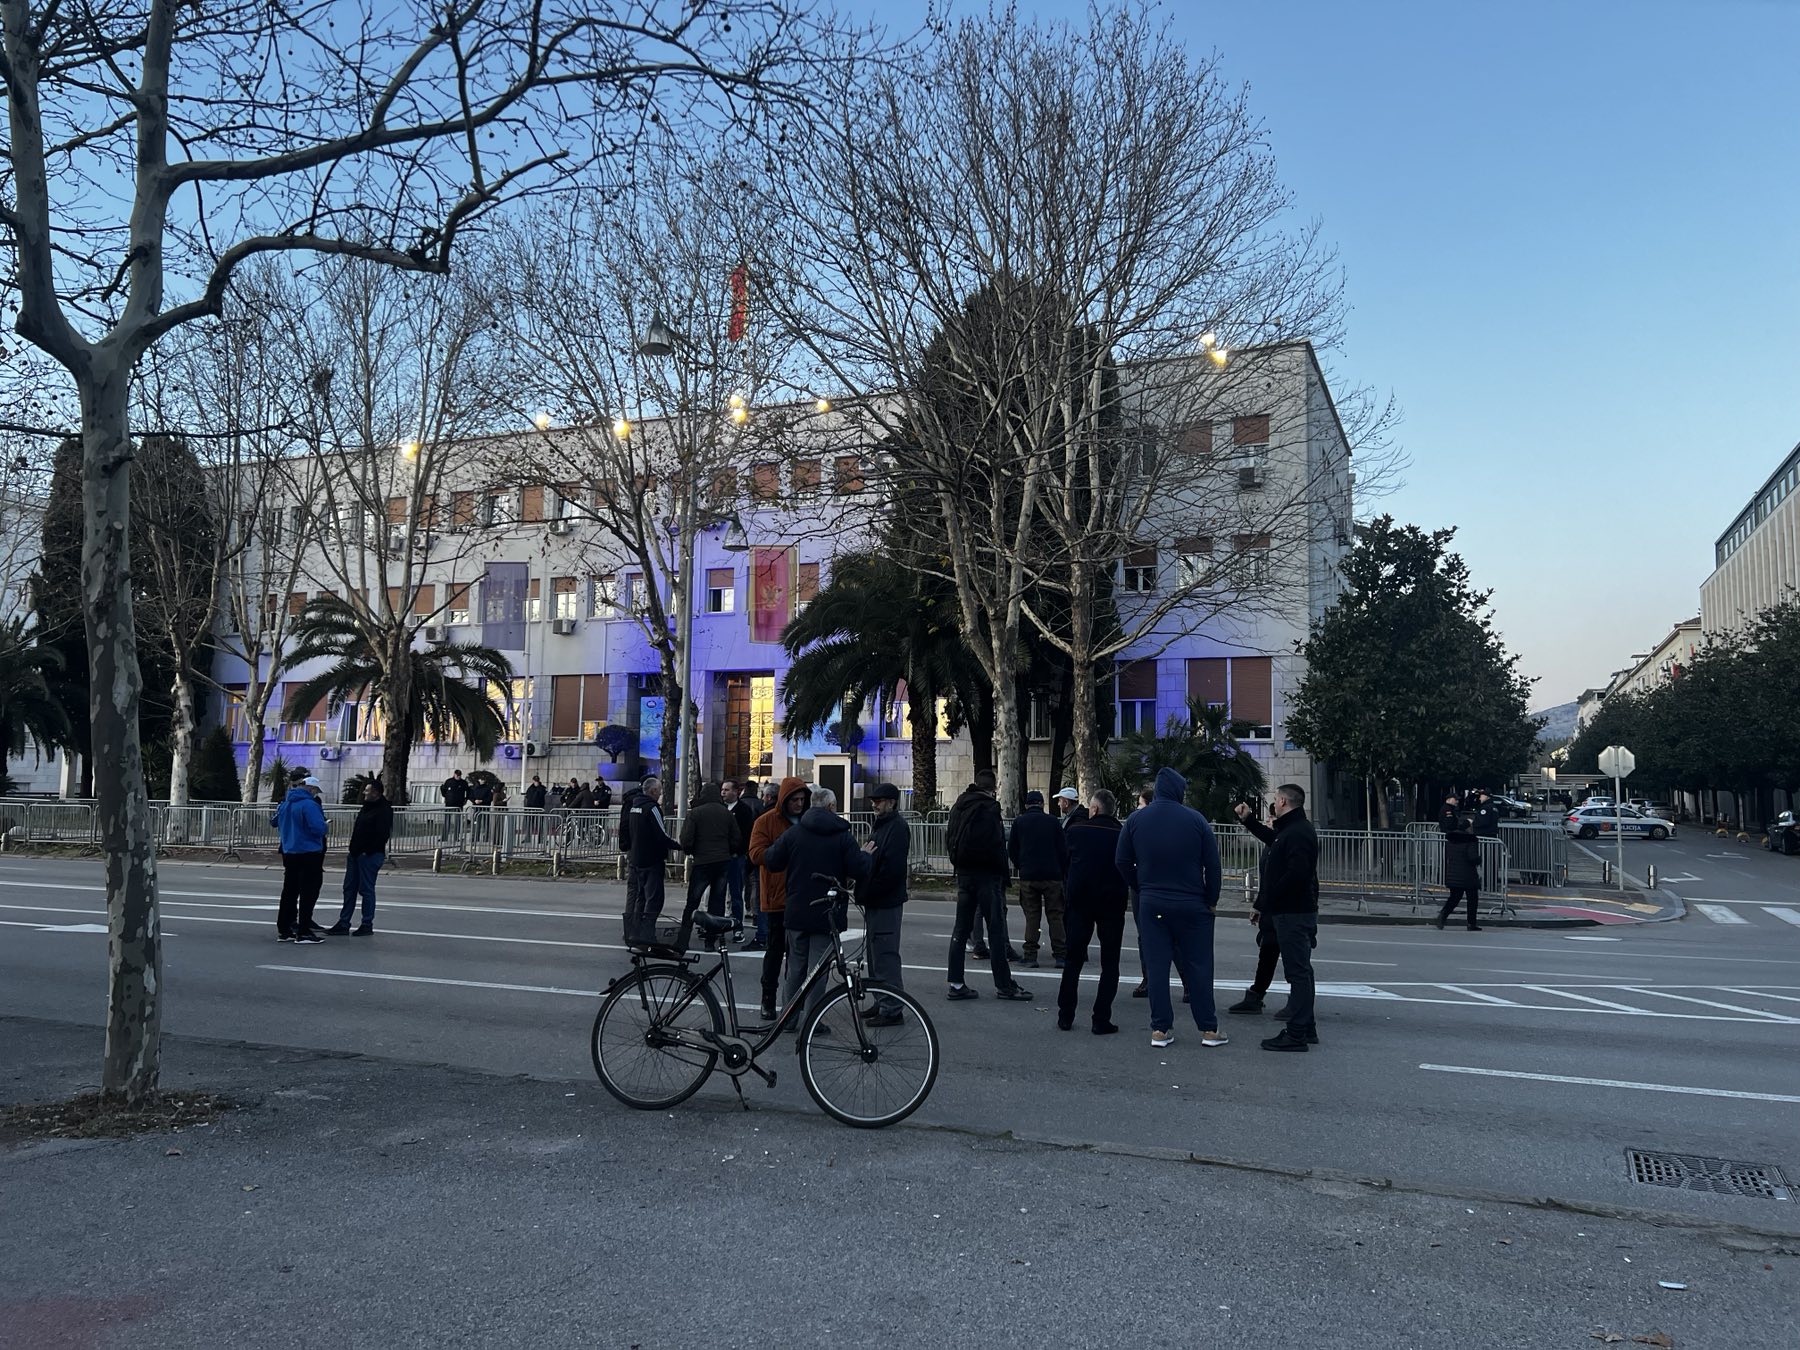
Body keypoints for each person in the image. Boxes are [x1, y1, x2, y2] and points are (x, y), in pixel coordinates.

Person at [1115, 768, 1224, 1049]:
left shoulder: (1136, 820)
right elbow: (1212, 865)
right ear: (1178, 791)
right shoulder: (1196, 820)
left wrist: (1141, 886)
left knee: (1157, 965)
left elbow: (1121, 860)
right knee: (1199, 965)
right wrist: (1211, 899)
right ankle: (1209, 1029)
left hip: (1153, 904)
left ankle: (1161, 1030)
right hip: (1192, 905)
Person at [766, 786, 871, 1031]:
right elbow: (858, 868)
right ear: (832, 807)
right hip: (827, 912)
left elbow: (772, 860)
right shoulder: (842, 835)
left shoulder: (795, 833)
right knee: (818, 971)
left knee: (795, 968)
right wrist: (866, 855)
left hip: (796, 910)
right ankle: (812, 1022)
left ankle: (788, 1018)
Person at [1231, 783, 1321, 1052]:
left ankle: (1297, 1034)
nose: (1274, 802)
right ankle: (1305, 1028)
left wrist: (1268, 899)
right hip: (1289, 910)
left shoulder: (1298, 832)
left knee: (1298, 973)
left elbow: (1297, 874)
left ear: (1283, 801)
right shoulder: (1291, 830)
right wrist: (1248, 820)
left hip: (1293, 912)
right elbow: (1273, 840)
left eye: (1275, 799)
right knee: (1300, 971)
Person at [945, 770, 1032, 1002]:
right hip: (987, 877)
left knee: (961, 930)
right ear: (993, 788)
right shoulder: (990, 808)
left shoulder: (958, 806)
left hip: (964, 874)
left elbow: (949, 838)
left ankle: (955, 983)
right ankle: (1004, 985)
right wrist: (1002, 875)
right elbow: (995, 846)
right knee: (995, 930)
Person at [1057, 789, 1129, 1034]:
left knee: (1073, 960)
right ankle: (1101, 1018)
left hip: (1080, 903)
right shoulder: (1122, 834)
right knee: (1110, 964)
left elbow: (1063, 862)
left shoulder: (1076, 831)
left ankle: (1065, 1014)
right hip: (1112, 904)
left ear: (1095, 809)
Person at [748, 777, 810, 1020]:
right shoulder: (766, 821)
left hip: (800, 895)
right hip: (776, 897)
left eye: (802, 800)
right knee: (774, 951)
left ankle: (792, 1002)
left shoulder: (806, 821)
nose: (798, 804)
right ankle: (768, 999)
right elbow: (755, 854)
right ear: (784, 800)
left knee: (797, 955)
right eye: (794, 800)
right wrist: (782, 849)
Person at [858, 782, 911, 1025]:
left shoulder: (896, 828)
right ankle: (882, 1000)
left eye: (878, 801)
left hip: (885, 900)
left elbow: (891, 870)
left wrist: (870, 889)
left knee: (885, 955)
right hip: (877, 900)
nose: (874, 804)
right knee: (876, 954)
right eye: (873, 801)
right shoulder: (883, 826)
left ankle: (891, 1008)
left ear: (891, 802)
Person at [1008, 789, 1069, 968]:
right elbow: (1063, 850)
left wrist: (1022, 866)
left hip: (1029, 876)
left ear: (1027, 805)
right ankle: (1060, 955)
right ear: (1042, 804)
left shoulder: (1020, 822)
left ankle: (1030, 955)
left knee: (1032, 916)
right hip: (1052, 876)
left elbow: (1012, 849)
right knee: (1056, 915)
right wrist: (1059, 869)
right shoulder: (1053, 822)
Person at [327, 778, 391, 936]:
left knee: (366, 889)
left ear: (375, 793)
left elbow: (382, 834)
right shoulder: (367, 807)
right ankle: (344, 922)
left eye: (367, 791)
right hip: (356, 854)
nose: (364, 793)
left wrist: (366, 851)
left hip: (369, 855)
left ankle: (366, 923)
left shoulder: (384, 809)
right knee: (349, 889)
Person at [274, 774, 329, 942]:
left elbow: (274, 822)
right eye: (315, 791)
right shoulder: (309, 805)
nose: (315, 794)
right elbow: (318, 828)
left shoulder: (285, 804)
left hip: (289, 851)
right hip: (309, 852)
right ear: (311, 789)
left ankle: (284, 929)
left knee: (289, 891)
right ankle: (304, 931)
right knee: (309, 892)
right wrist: (325, 825)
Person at [622, 776, 676, 943]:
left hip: (636, 858)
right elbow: (661, 835)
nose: (660, 794)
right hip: (652, 860)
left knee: (640, 897)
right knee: (654, 899)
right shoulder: (652, 808)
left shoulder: (634, 806)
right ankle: (648, 935)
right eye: (659, 791)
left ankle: (634, 932)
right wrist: (679, 846)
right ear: (653, 791)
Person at [679, 781, 740, 921]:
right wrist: (729, 852)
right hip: (722, 860)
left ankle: (684, 935)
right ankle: (712, 935)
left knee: (693, 901)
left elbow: (686, 839)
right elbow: (736, 838)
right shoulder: (727, 813)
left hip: (702, 860)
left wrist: (691, 851)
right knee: (717, 901)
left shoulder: (695, 813)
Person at [722, 778, 759, 941]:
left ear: (736, 791)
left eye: (727, 790)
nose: (723, 793)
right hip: (720, 856)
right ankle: (716, 925)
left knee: (736, 893)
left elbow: (747, 834)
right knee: (719, 893)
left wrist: (740, 852)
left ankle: (738, 927)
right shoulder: (720, 808)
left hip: (736, 857)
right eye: (722, 790)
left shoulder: (743, 810)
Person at [1438, 813, 1483, 931]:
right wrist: (1479, 859)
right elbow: (1472, 857)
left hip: (1453, 873)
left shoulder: (1451, 839)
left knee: (1454, 898)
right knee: (1472, 899)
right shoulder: (1471, 840)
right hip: (1468, 874)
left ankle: (1443, 915)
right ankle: (1471, 923)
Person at [439, 768, 468, 841]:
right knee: (447, 821)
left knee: (457, 821)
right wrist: (447, 797)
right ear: (454, 774)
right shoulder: (449, 781)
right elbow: (443, 790)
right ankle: (444, 837)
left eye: (459, 775)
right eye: (457, 775)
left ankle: (456, 837)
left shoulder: (463, 783)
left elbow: (468, 791)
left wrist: (465, 799)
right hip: (449, 804)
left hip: (459, 804)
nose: (458, 777)